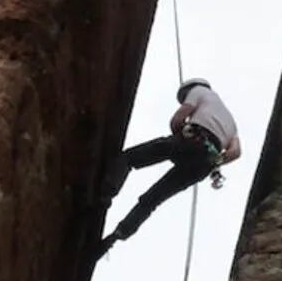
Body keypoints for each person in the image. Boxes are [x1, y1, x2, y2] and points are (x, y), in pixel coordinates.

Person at [100, 78, 241, 249]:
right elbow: (235, 152)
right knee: (153, 199)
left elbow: (177, 119)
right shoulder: (232, 124)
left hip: (192, 138)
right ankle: (119, 234)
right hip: (204, 164)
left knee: (130, 158)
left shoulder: (200, 91)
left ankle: (106, 191)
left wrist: (179, 135)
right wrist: (215, 159)